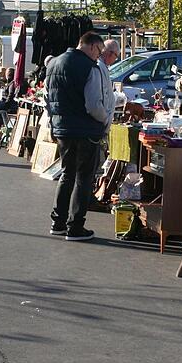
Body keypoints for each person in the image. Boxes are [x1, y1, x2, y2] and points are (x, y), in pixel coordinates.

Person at [45, 32, 113, 241]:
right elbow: (93, 104)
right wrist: (104, 119)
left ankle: (58, 222)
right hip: (85, 129)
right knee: (84, 178)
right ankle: (75, 226)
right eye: (99, 51)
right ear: (92, 47)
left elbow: (47, 98)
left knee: (67, 174)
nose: (99, 56)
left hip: (62, 128)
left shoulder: (53, 64)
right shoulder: (89, 67)